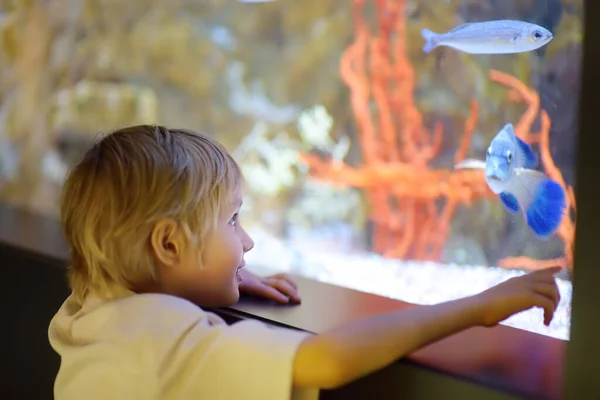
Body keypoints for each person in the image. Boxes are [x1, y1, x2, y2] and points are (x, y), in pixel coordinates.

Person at [49, 125, 561, 400]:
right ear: (168, 247)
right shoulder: (167, 340)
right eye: (231, 221)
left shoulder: (91, 308)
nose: (246, 243)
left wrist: (212, 275)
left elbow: (128, 271)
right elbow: (329, 362)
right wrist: (474, 307)